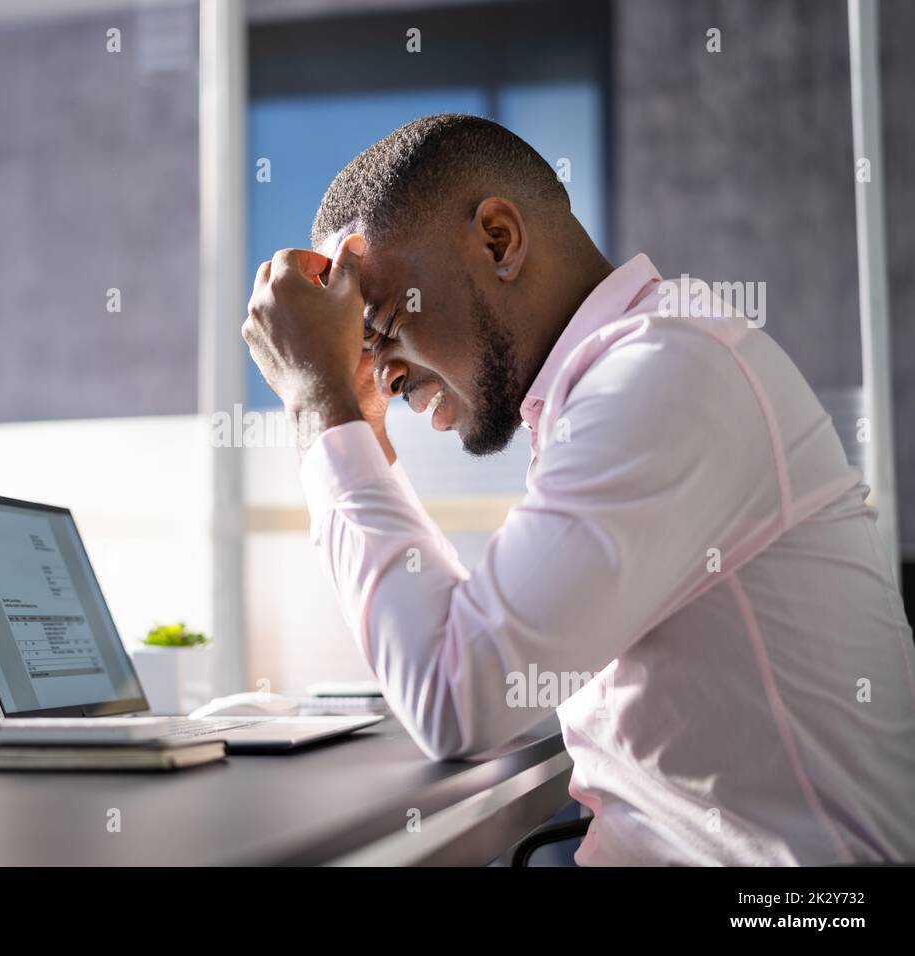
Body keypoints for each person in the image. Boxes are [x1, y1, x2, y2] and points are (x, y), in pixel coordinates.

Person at [241, 113, 915, 865]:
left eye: (387, 322)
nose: (385, 376)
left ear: (498, 240)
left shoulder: (666, 374)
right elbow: (481, 655)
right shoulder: (611, 384)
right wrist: (348, 416)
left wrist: (320, 405)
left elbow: (457, 695)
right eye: (363, 351)